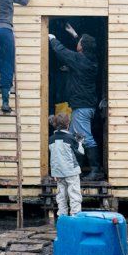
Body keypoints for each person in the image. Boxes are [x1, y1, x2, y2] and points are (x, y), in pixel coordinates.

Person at [48, 23, 102, 180]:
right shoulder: (90, 59)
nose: (77, 44)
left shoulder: (80, 60)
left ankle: (95, 170)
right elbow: (87, 47)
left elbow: (62, 52)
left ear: (81, 48)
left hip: (82, 107)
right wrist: (75, 35)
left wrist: (52, 39)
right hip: (85, 106)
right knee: (73, 137)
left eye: (79, 42)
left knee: (85, 137)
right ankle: (74, 170)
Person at [49, 112, 84, 216]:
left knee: (61, 196)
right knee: (74, 195)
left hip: (57, 172)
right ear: (68, 124)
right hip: (71, 171)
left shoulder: (51, 139)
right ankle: (75, 217)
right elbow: (81, 152)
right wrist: (80, 141)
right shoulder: (71, 138)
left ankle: (62, 217)